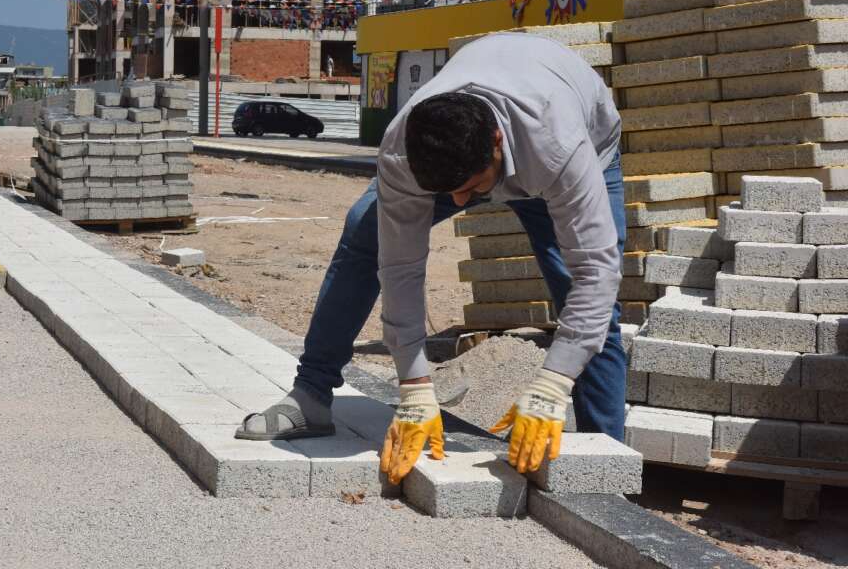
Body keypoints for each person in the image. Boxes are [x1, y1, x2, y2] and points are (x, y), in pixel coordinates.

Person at [236, 33, 626, 485]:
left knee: (589, 302)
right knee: (366, 235)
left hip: (579, 141)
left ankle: (604, 465)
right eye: (448, 193)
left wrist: (554, 381)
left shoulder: (560, 148)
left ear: (496, 142)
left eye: (469, 187)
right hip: (488, 141)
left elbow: (596, 274)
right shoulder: (402, 150)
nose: (461, 201)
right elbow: (400, 266)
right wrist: (415, 385)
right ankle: (311, 394)